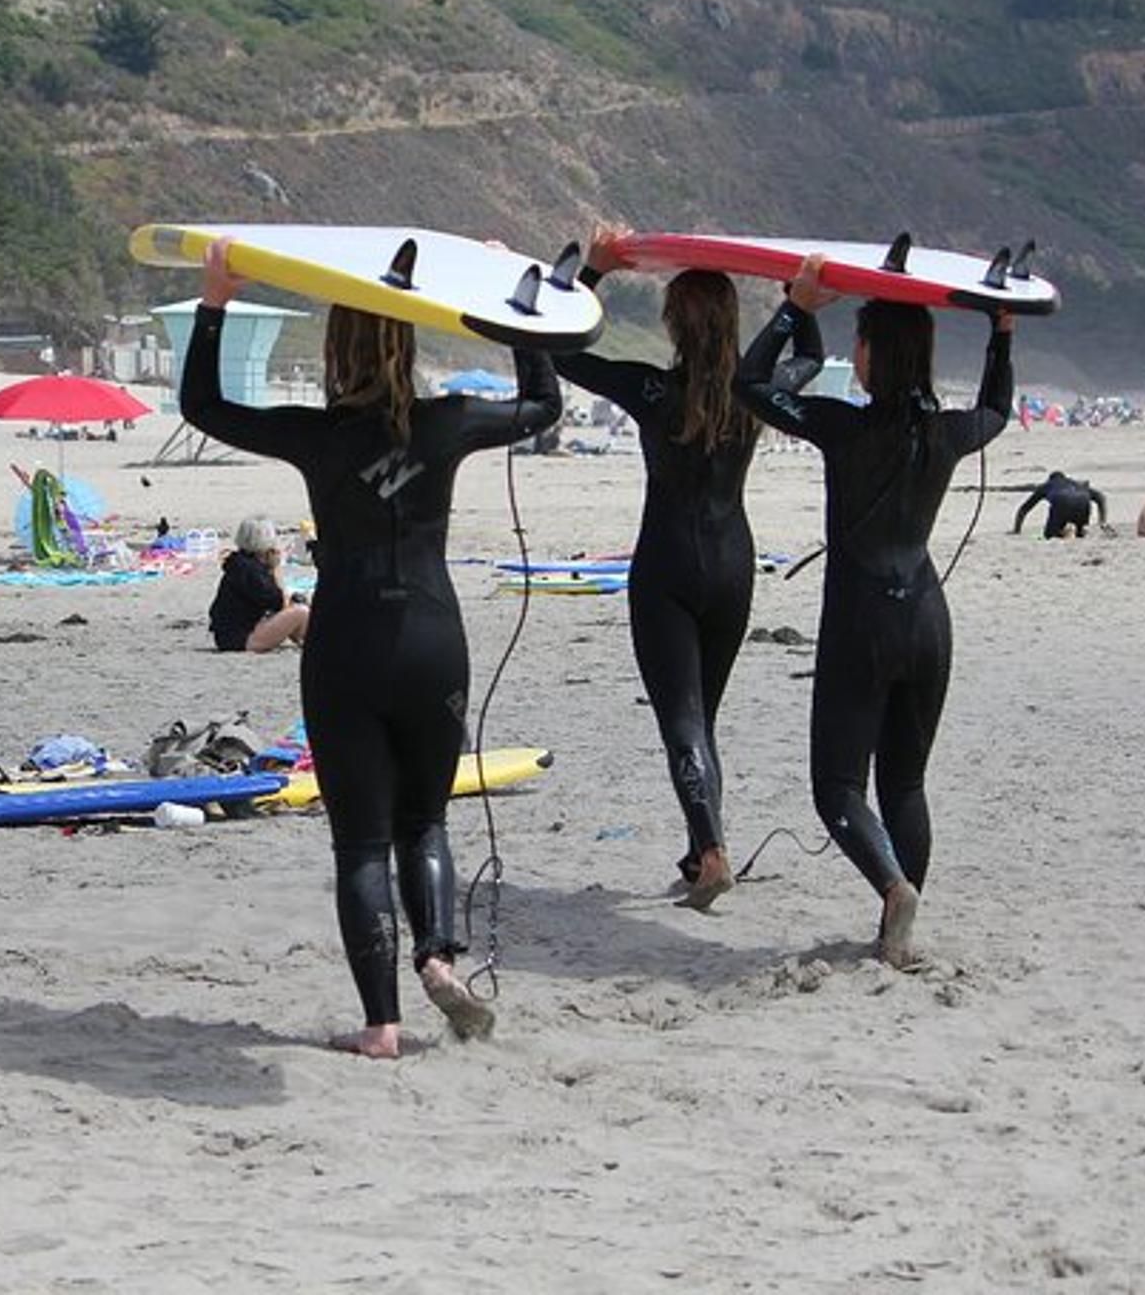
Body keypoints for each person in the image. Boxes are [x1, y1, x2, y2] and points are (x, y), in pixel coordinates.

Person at [183, 238, 560, 1059]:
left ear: (333, 350)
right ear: (409, 343)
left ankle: (382, 1024)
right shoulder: (451, 419)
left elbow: (203, 408)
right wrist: (509, 298)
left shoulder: (317, 437)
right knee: (424, 820)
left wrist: (215, 301)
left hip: (346, 642)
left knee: (359, 842)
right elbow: (542, 405)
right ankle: (436, 955)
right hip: (432, 642)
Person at [734, 256, 1013, 968]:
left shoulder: (841, 426)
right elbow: (998, 410)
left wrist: (796, 308)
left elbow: (750, 385)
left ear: (872, 355)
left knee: (836, 787)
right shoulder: (949, 434)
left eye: (858, 342)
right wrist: (1000, 333)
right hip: (927, 618)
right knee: (906, 784)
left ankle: (892, 887)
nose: (853, 354)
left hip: (861, 624)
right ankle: (899, 924)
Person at [554, 226, 818, 908]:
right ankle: (702, 848)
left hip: (668, 565)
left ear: (672, 323)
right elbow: (810, 358)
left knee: (682, 720)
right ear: (733, 323)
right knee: (701, 719)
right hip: (733, 564)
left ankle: (711, 850)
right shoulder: (754, 395)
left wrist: (595, 272)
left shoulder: (650, 391)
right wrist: (800, 300)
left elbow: (561, 350)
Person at [209, 516, 309, 652]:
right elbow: (278, 602)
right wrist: (275, 568)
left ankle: (305, 640)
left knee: (297, 604)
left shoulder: (239, 563)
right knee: (301, 612)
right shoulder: (250, 571)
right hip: (240, 640)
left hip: (230, 635)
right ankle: (312, 642)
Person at [1011, 471, 1110, 538]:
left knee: (1050, 535)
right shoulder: (1078, 484)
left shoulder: (1047, 485)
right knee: (1079, 535)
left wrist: (1017, 530)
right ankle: (1075, 531)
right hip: (1083, 503)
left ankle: (1063, 533)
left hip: (1061, 502)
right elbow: (1101, 497)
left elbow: (1024, 509)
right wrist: (1102, 521)